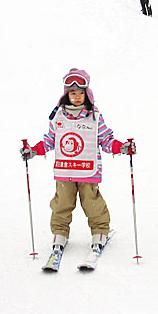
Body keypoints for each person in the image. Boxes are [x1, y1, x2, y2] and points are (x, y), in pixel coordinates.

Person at [21, 69, 136, 254]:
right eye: (72, 93)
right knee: (61, 204)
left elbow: (105, 139)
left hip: (87, 170)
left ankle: (99, 231)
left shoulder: (94, 116)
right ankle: (60, 233)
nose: (76, 97)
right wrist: (33, 151)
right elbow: (50, 140)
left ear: (87, 94)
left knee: (92, 203)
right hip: (64, 171)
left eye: (80, 93)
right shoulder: (58, 117)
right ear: (66, 95)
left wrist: (121, 147)